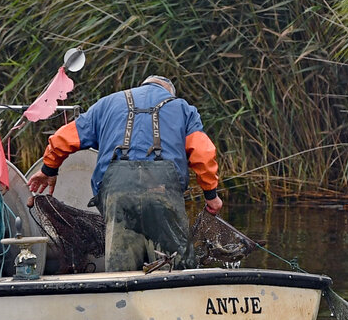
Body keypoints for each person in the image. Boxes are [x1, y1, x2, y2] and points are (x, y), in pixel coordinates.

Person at [28, 75, 221, 271]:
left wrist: (48, 170)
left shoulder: (106, 104)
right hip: (163, 191)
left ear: (141, 87)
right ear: (169, 92)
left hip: (117, 194)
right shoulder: (183, 108)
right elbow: (203, 154)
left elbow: (62, 139)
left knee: (121, 272)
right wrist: (211, 195)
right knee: (176, 269)